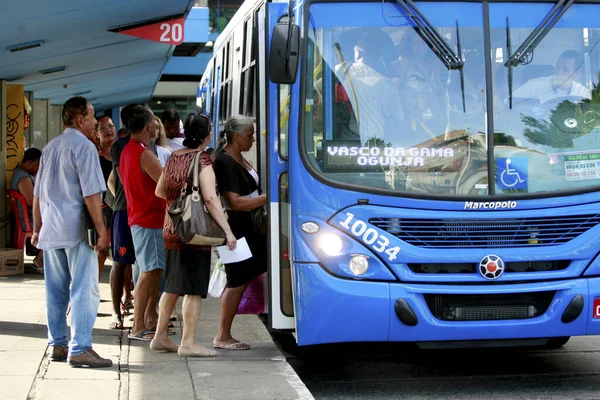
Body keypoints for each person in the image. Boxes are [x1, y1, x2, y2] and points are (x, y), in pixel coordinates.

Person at [31, 96, 112, 368]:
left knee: (54, 289)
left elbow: (38, 194)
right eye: (91, 119)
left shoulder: (50, 147)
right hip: (77, 230)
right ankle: (80, 348)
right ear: (80, 120)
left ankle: (57, 343)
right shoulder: (85, 148)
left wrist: (36, 227)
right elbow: (90, 193)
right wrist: (102, 230)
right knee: (84, 289)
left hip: (52, 229)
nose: (94, 124)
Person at [150, 114, 237, 357]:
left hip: (172, 226)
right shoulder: (203, 160)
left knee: (172, 285)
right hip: (194, 232)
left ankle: (159, 337)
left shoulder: (175, 156)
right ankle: (187, 342)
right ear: (208, 134)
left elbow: (160, 191)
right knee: (192, 289)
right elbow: (209, 199)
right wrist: (227, 232)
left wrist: (178, 200)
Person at [213, 115, 267, 350]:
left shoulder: (238, 157)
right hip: (235, 230)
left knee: (243, 278)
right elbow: (234, 202)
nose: (253, 140)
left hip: (250, 228)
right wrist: (269, 198)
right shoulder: (224, 162)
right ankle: (222, 335)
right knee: (237, 280)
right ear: (236, 136)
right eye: (249, 135)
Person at [120, 106, 166, 341]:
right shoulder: (143, 152)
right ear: (149, 126)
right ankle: (138, 325)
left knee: (154, 269)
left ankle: (150, 317)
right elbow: (166, 183)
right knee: (148, 271)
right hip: (150, 218)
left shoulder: (128, 150)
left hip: (141, 217)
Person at [513, 50, 591, 103]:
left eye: (565, 69)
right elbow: (509, 105)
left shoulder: (583, 94)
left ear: (576, 74)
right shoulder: (534, 85)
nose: (559, 72)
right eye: (557, 67)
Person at [10, 147, 43, 271]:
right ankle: (39, 260)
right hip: (29, 220)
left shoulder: (22, 174)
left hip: (28, 218)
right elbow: (31, 201)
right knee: (55, 225)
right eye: (38, 164)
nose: (39, 168)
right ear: (30, 162)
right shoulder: (23, 178)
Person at [96, 115, 116, 279]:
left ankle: (127, 295)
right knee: (100, 251)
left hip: (121, 208)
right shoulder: (95, 158)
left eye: (110, 126)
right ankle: (92, 288)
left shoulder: (123, 153)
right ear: (96, 134)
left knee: (123, 253)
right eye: (103, 128)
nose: (108, 130)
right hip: (101, 210)